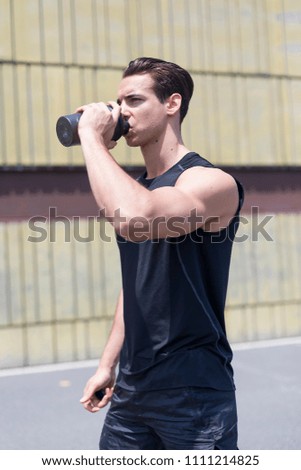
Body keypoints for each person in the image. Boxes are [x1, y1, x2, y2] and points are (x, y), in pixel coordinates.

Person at [78, 57, 244, 450]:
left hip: (193, 391)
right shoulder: (136, 186)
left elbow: (136, 219)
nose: (121, 112)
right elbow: (137, 282)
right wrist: (108, 364)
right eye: (119, 103)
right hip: (133, 391)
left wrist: (90, 137)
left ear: (172, 104)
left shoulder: (210, 182)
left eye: (134, 100)